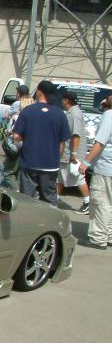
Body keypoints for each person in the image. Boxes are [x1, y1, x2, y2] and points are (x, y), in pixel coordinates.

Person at [12, 80, 70, 205]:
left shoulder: (27, 111)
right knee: (49, 199)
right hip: (50, 165)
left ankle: (29, 217)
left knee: (27, 200)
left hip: (29, 163)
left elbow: (16, 136)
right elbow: (62, 145)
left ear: (39, 92)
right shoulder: (60, 114)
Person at [78, 94, 112, 250]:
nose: (108, 97)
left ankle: (98, 238)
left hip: (106, 168)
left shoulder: (109, 115)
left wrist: (86, 162)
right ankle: (109, 235)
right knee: (109, 204)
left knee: (101, 203)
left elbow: (100, 142)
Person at [57, 91, 90, 213]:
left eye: (62, 99)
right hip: (67, 152)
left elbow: (75, 135)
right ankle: (54, 200)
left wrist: (74, 154)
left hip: (71, 153)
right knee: (60, 177)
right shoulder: (73, 112)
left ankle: (87, 202)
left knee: (78, 178)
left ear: (66, 100)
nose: (61, 102)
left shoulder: (74, 114)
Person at [0, 92, 33, 190]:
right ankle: (7, 191)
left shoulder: (20, 116)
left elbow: (15, 134)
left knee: (7, 173)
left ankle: (16, 191)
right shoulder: (34, 117)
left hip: (16, 148)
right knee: (18, 173)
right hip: (27, 149)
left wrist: (10, 131)